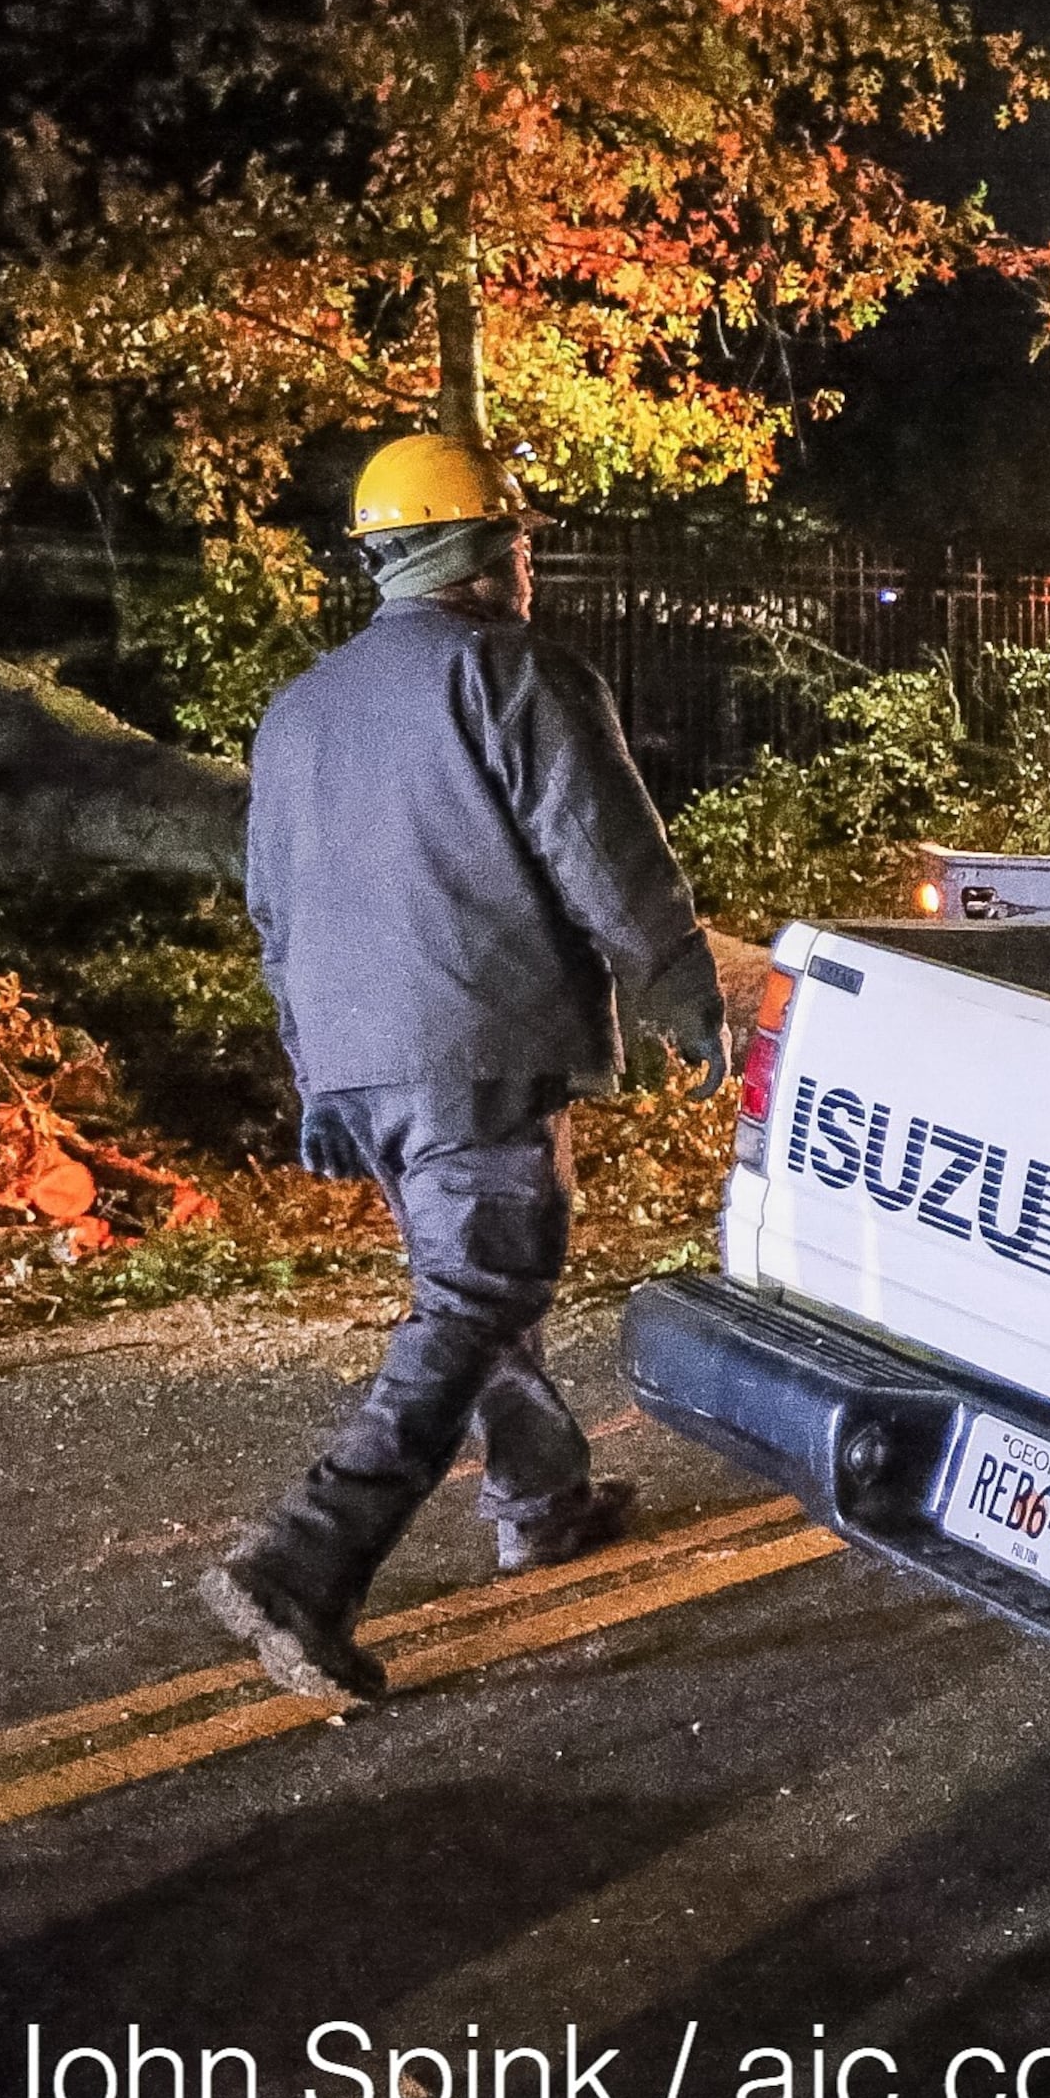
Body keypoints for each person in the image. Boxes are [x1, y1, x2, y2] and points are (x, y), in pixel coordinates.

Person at [202, 433, 728, 1704]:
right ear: (484, 550)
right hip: (474, 1045)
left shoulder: (301, 708)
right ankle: (302, 1559)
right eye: (520, 538)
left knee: (465, 1284)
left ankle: (542, 1498)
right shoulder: (516, 675)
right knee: (483, 1289)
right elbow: (609, 860)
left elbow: (272, 911)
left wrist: (316, 1072)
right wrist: (687, 1000)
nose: (528, 560)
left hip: (356, 1061)